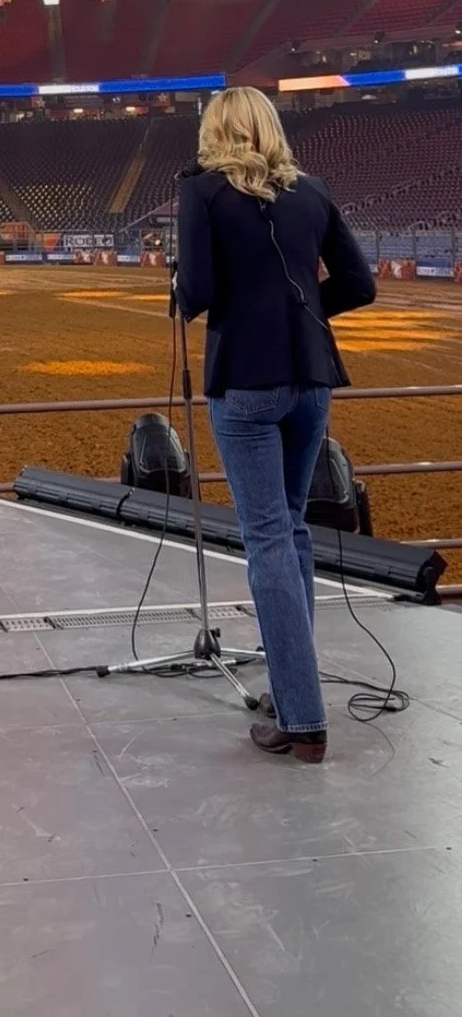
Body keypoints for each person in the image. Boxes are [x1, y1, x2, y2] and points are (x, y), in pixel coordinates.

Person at [174, 86, 376, 763]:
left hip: (245, 383)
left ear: (216, 131)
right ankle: (294, 689)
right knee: (289, 529)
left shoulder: (201, 192)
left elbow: (198, 292)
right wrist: (307, 313)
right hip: (312, 379)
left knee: (265, 536)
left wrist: (177, 289)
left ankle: (303, 718)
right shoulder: (312, 191)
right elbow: (360, 282)